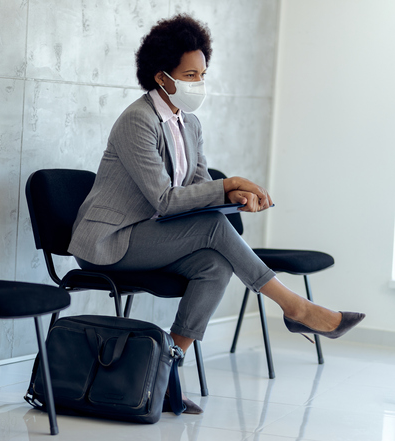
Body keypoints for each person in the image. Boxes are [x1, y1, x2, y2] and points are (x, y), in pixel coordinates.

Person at [67, 13, 365, 414]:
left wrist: (238, 195)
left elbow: (198, 189)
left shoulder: (188, 123)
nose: (198, 84)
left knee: (214, 263)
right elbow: (167, 201)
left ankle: (165, 370)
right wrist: (228, 183)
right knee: (212, 229)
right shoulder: (136, 121)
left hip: (150, 235)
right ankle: (295, 308)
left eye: (202, 74)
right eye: (190, 75)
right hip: (110, 241)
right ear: (162, 77)